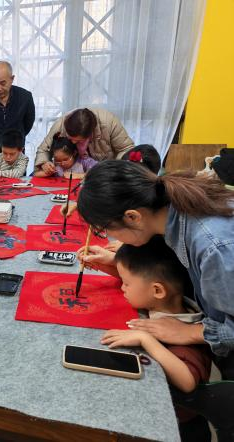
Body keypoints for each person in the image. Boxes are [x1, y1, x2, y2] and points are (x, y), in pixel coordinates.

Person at [76, 160, 234, 381]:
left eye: (107, 230)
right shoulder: (173, 212)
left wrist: (188, 332)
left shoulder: (214, 246)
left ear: (132, 217)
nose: (112, 239)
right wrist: (121, 266)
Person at [101, 236, 212, 440]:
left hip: (177, 428)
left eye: (126, 283)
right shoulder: (170, 303)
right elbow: (141, 288)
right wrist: (111, 267)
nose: (122, 288)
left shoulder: (183, 335)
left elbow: (187, 382)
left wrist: (146, 340)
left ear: (157, 291)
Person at [34, 108, 134, 175]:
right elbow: (43, 149)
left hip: (103, 172)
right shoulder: (61, 124)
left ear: (90, 134)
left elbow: (126, 149)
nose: (73, 143)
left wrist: (115, 171)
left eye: (78, 141)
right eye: (70, 138)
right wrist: (44, 163)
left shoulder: (109, 123)